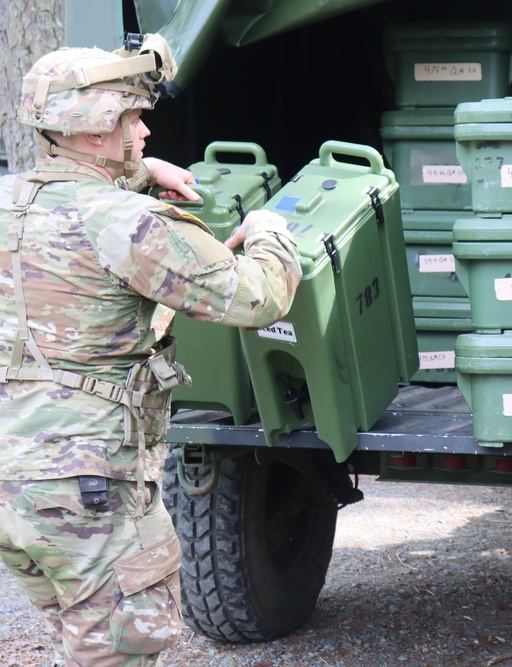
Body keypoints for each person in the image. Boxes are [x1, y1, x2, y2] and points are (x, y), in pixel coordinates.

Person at [0, 35, 302, 666]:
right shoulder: (127, 224)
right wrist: (272, 234)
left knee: (83, 637)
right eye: (131, 119)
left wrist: (137, 174)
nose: (143, 134)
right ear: (91, 130)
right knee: (122, 649)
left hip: (14, 486)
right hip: (87, 483)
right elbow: (258, 298)